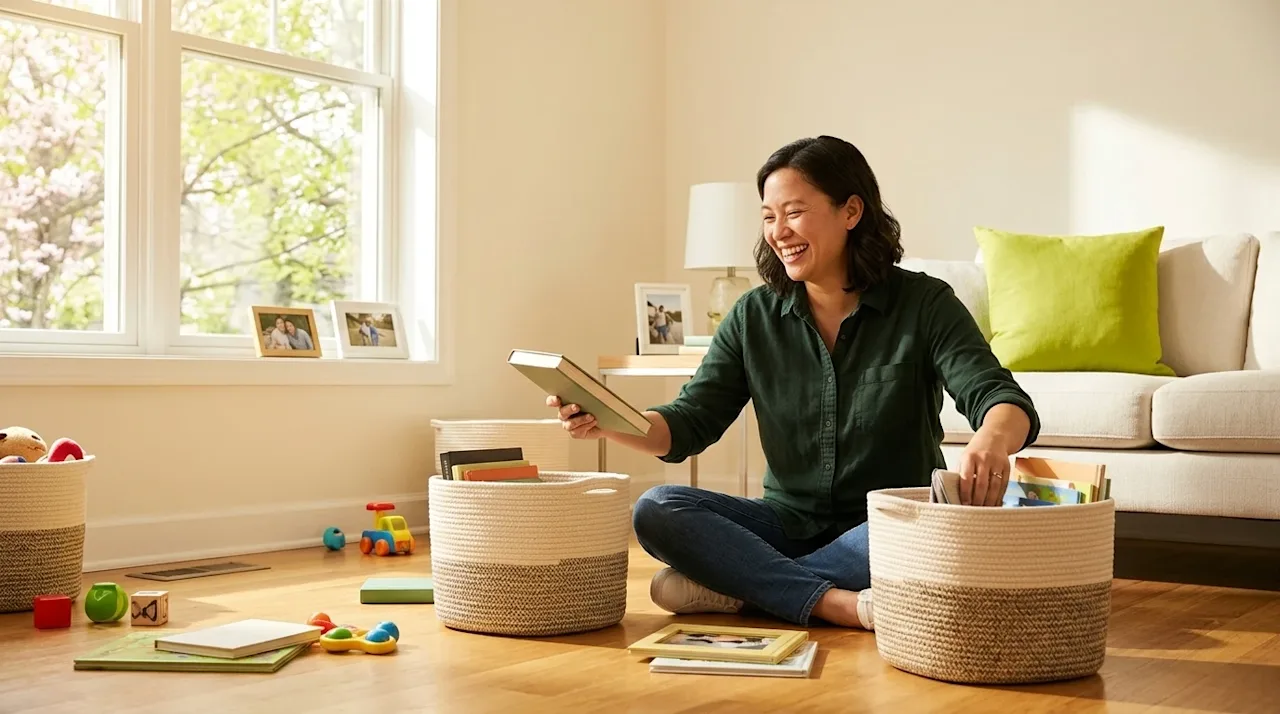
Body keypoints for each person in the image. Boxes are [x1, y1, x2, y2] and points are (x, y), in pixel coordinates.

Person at [547, 135, 1039, 631]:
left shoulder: (924, 304)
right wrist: (607, 422)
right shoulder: (752, 316)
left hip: (883, 525)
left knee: (932, 527)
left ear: (850, 211)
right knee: (657, 506)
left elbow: (999, 395)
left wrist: (990, 440)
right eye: (767, 216)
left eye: (794, 212)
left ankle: (741, 590)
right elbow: (689, 424)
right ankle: (833, 602)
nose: (778, 232)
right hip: (784, 524)